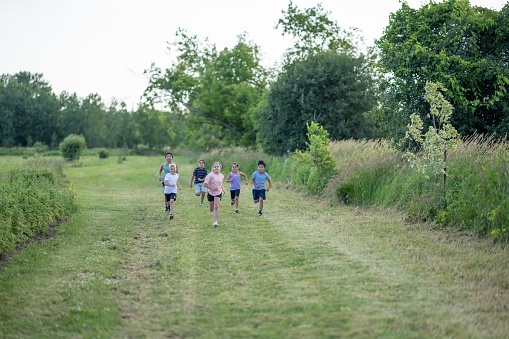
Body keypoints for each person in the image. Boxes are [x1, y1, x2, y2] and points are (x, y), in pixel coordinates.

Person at [203, 162, 225, 227]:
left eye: (217, 166)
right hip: (211, 192)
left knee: (216, 206)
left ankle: (215, 222)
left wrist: (223, 189)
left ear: (220, 168)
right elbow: (205, 184)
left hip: (218, 192)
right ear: (213, 168)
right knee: (211, 209)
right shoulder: (210, 175)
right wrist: (212, 188)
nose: (216, 168)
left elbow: (220, 184)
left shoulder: (222, 176)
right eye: (215, 167)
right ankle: (214, 212)